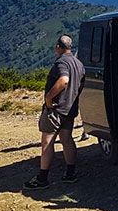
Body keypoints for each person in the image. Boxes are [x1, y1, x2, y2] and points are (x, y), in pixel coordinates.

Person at [24, 34, 85, 190]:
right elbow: (80, 85)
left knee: (47, 142)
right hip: (70, 109)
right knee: (67, 139)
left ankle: (42, 178)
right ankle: (70, 173)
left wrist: (48, 99)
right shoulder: (79, 64)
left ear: (59, 46)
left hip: (56, 109)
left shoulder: (62, 63)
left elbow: (64, 80)